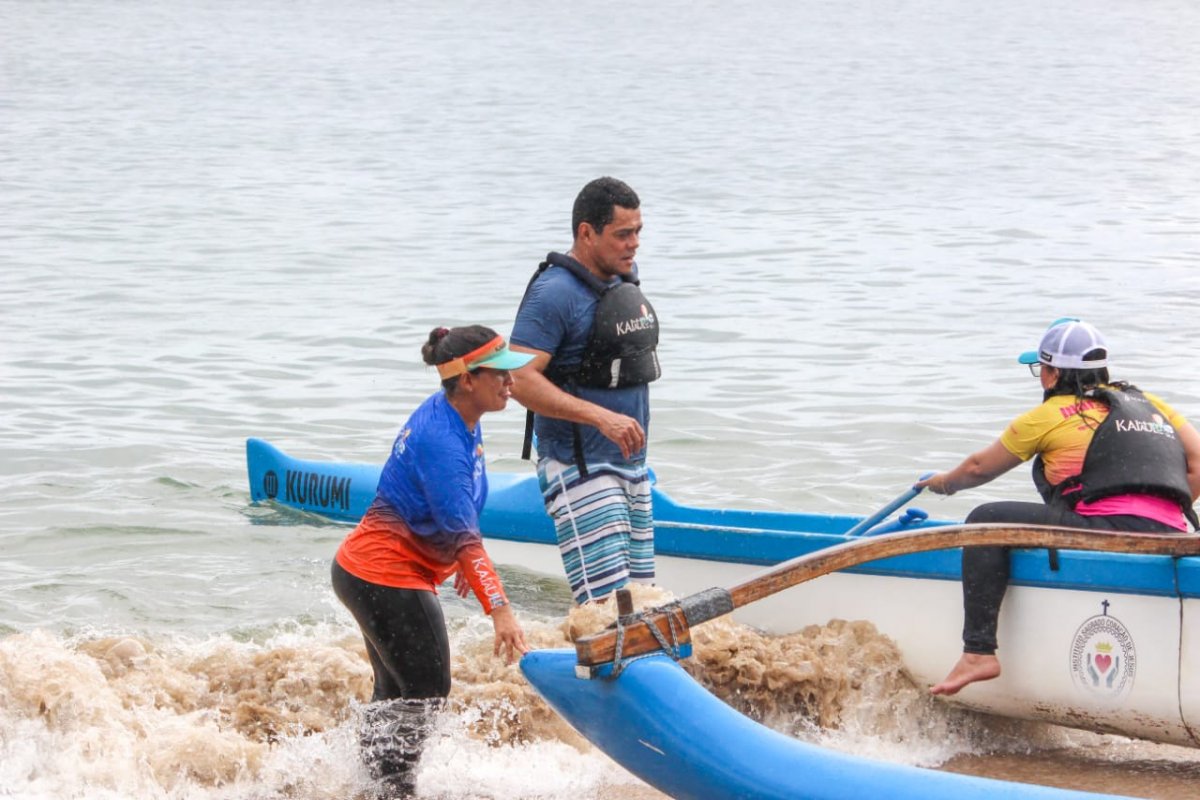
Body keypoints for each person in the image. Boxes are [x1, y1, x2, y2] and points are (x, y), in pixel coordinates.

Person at [916, 318, 1200, 696]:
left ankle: (978, 652)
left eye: (1041, 369)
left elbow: (978, 468)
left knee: (985, 519)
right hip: (1172, 531)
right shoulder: (1151, 405)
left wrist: (942, 483)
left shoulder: (1047, 416)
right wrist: (1154, 514)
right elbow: (1197, 463)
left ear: (1053, 374)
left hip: (1105, 527)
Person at [331, 325, 532, 799]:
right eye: (499, 374)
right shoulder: (442, 440)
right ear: (467, 379)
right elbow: (466, 538)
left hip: (365, 571)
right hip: (385, 575)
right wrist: (500, 610)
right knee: (427, 691)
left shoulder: (461, 414)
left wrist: (455, 557)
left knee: (396, 693)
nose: (510, 382)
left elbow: (450, 512)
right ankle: (395, 789)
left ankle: (377, 789)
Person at [509, 176, 661, 605]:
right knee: (608, 610)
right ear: (586, 233)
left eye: (638, 232)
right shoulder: (555, 293)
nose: (634, 244)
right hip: (580, 469)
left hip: (632, 467)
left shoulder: (621, 280)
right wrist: (600, 417)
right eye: (622, 234)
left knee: (642, 606)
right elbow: (517, 378)